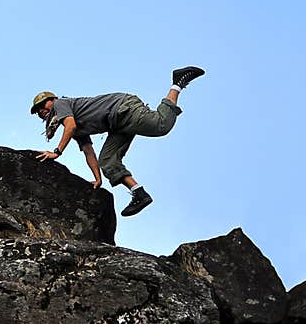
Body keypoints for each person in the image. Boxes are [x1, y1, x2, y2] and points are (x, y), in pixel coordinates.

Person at [31, 66, 205, 217]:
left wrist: (57, 152)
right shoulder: (74, 125)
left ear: (51, 100)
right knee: (108, 161)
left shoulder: (60, 104)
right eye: (38, 110)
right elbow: (88, 150)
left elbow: (70, 126)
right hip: (117, 124)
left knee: (160, 125)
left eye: (42, 105)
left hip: (122, 108)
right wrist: (97, 179)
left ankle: (177, 83)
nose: (41, 111)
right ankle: (140, 194)